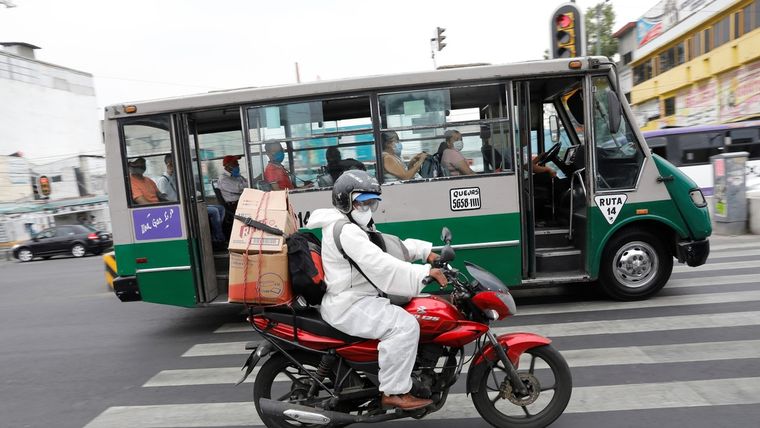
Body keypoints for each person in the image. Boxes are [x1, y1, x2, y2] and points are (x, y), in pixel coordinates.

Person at [306, 170, 448, 411]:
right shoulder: (346, 230)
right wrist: (423, 273)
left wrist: (426, 253)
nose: (368, 208)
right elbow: (380, 265)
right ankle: (394, 391)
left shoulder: (355, 224)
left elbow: (389, 248)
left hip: (359, 299)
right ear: (345, 200)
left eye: (372, 202)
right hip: (350, 305)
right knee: (404, 326)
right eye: (363, 202)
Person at [159, 154, 226, 244]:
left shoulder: (176, 178)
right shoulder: (163, 180)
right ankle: (219, 238)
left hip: (189, 204)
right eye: (174, 163)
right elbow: (164, 199)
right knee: (214, 211)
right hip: (179, 209)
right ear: (169, 164)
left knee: (220, 209)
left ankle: (215, 234)